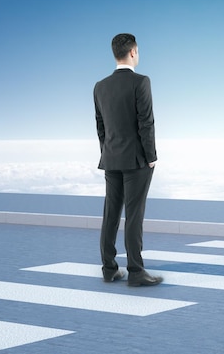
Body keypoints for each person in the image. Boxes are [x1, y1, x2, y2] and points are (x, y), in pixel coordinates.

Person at [93, 33, 163, 287]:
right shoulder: (141, 82)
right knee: (134, 215)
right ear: (133, 52)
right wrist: (151, 156)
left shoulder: (99, 86)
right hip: (136, 161)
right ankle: (135, 271)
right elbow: (146, 122)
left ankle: (109, 268)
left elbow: (100, 127)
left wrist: (107, 152)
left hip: (110, 158)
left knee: (110, 214)